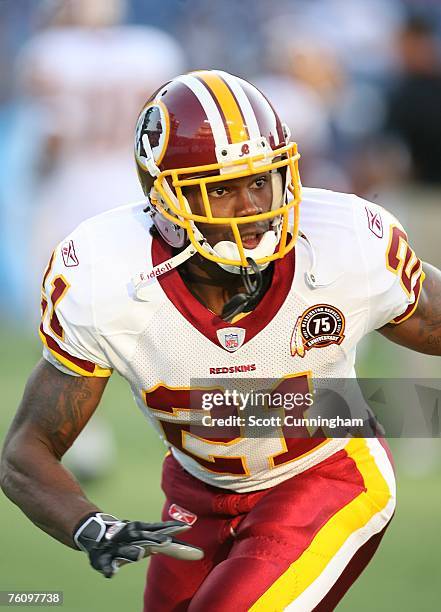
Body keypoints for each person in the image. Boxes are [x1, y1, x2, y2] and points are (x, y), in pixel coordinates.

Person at [1, 69, 440, 612]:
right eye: (222, 188)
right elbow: (25, 450)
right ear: (164, 201)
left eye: (260, 180)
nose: (252, 207)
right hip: (195, 493)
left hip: (326, 473)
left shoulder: (341, 243)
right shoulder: (104, 276)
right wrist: (86, 523)